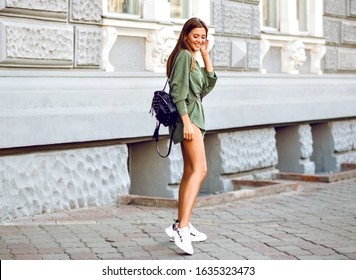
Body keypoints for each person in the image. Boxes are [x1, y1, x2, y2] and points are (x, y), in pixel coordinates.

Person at [164, 17, 217, 255]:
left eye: (203, 36)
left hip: (194, 116)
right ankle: (182, 228)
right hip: (189, 118)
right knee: (201, 170)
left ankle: (181, 222)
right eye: (196, 36)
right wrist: (186, 121)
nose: (200, 40)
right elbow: (177, 91)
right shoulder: (184, 56)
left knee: (189, 172)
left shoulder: (193, 56)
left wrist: (205, 55)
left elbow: (206, 87)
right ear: (186, 35)